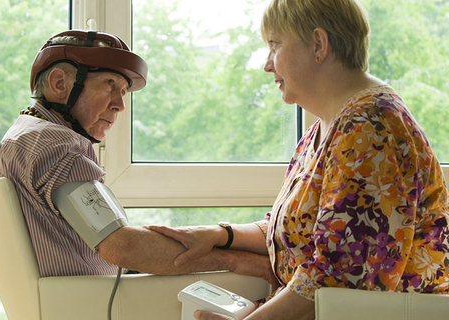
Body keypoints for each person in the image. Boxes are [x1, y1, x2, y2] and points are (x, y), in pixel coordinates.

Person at [149, 0, 449, 319]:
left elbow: (338, 277)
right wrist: (221, 235)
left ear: (318, 44)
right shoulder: (326, 128)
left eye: (275, 45)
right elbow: (302, 227)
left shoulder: (370, 129)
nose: (267, 64)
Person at [0, 30, 276, 286]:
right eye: (109, 84)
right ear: (59, 84)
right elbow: (121, 246)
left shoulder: (23, 135)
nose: (120, 105)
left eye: (123, 92)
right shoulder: (57, 145)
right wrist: (236, 259)